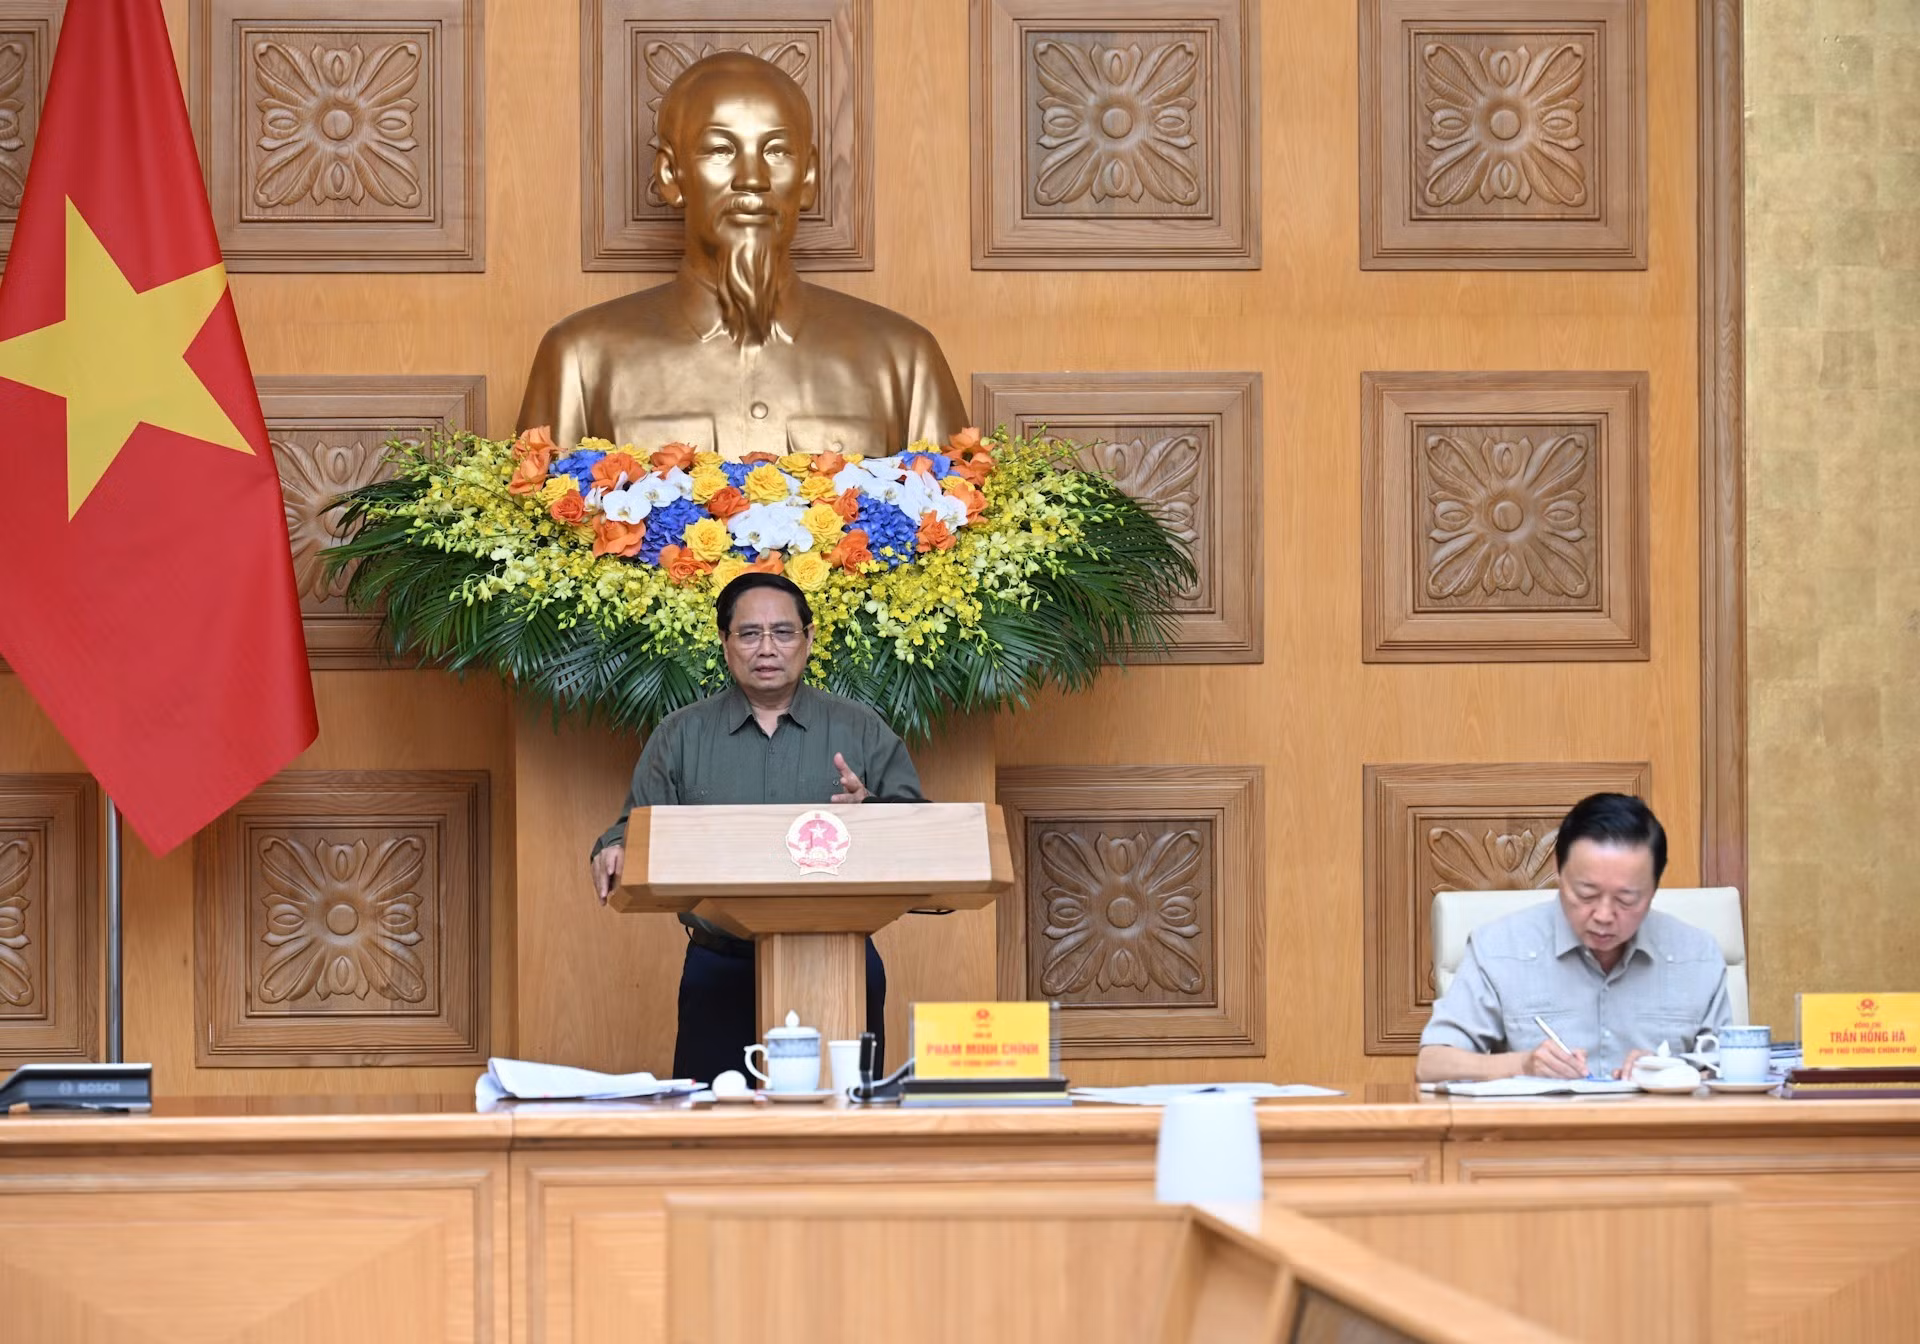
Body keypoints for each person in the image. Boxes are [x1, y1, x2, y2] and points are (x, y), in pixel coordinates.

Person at [517, 51, 965, 459]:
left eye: (776, 151)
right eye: (720, 150)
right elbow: (534, 537)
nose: (752, 178)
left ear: (807, 177)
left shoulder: (905, 359)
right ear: (670, 174)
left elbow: (957, 528)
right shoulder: (580, 358)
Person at [589, 572, 924, 1083]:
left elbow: (921, 831)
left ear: (809, 640)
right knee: (715, 1134)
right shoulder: (681, 734)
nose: (766, 647)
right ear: (725, 644)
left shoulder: (860, 728)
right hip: (718, 968)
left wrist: (871, 811)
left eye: (783, 632)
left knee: (844, 1130)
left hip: (842, 963)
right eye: (749, 634)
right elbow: (635, 827)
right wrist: (614, 847)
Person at [1415, 793, 1732, 1084]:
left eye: (1627, 899)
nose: (1604, 915)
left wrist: (1672, 1072)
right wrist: (1523, 1065)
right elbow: (1432, 1065)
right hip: (1538, 1140)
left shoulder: (1697, 955)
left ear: (1655, 887)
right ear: (1558, 871)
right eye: (1587, 893)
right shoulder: (1499, 949)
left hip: (1663, 1141)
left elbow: (1729, 1070)